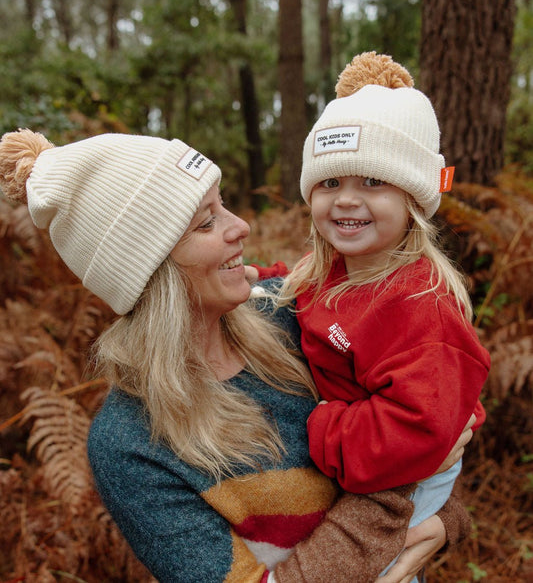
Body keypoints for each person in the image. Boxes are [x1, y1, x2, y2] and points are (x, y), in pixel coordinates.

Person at [0, 128, 474, 583]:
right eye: (206, 221)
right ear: (151, 271)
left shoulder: (293, 315)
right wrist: (398, 494)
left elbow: (434, 422)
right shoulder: (132, 444)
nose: (241, 226)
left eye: (222, 205)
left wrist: (442, 522)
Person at [250, 52, 490, 582]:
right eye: (330, 184)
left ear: (414, 197)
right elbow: (302, 288)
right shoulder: (336, 268)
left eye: (372, 183)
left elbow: (419, 425)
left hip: (398, 476)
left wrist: (320, 427)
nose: (346, 201)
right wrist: (256, 280)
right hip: (366, 464)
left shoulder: (418, 305)